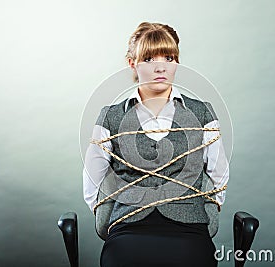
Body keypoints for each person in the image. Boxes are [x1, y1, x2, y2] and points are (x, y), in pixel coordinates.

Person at [83, 22, 229, 267]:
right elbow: (92, 180)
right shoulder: (111, 116)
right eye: (150, 59)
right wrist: (110, 219)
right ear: (133, 63)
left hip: (189, 227)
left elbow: (219, 175)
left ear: (176, 63)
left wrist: (199, 212)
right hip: (129, 227)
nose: (161, 67)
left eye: (169, 58)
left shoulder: (201, 112)